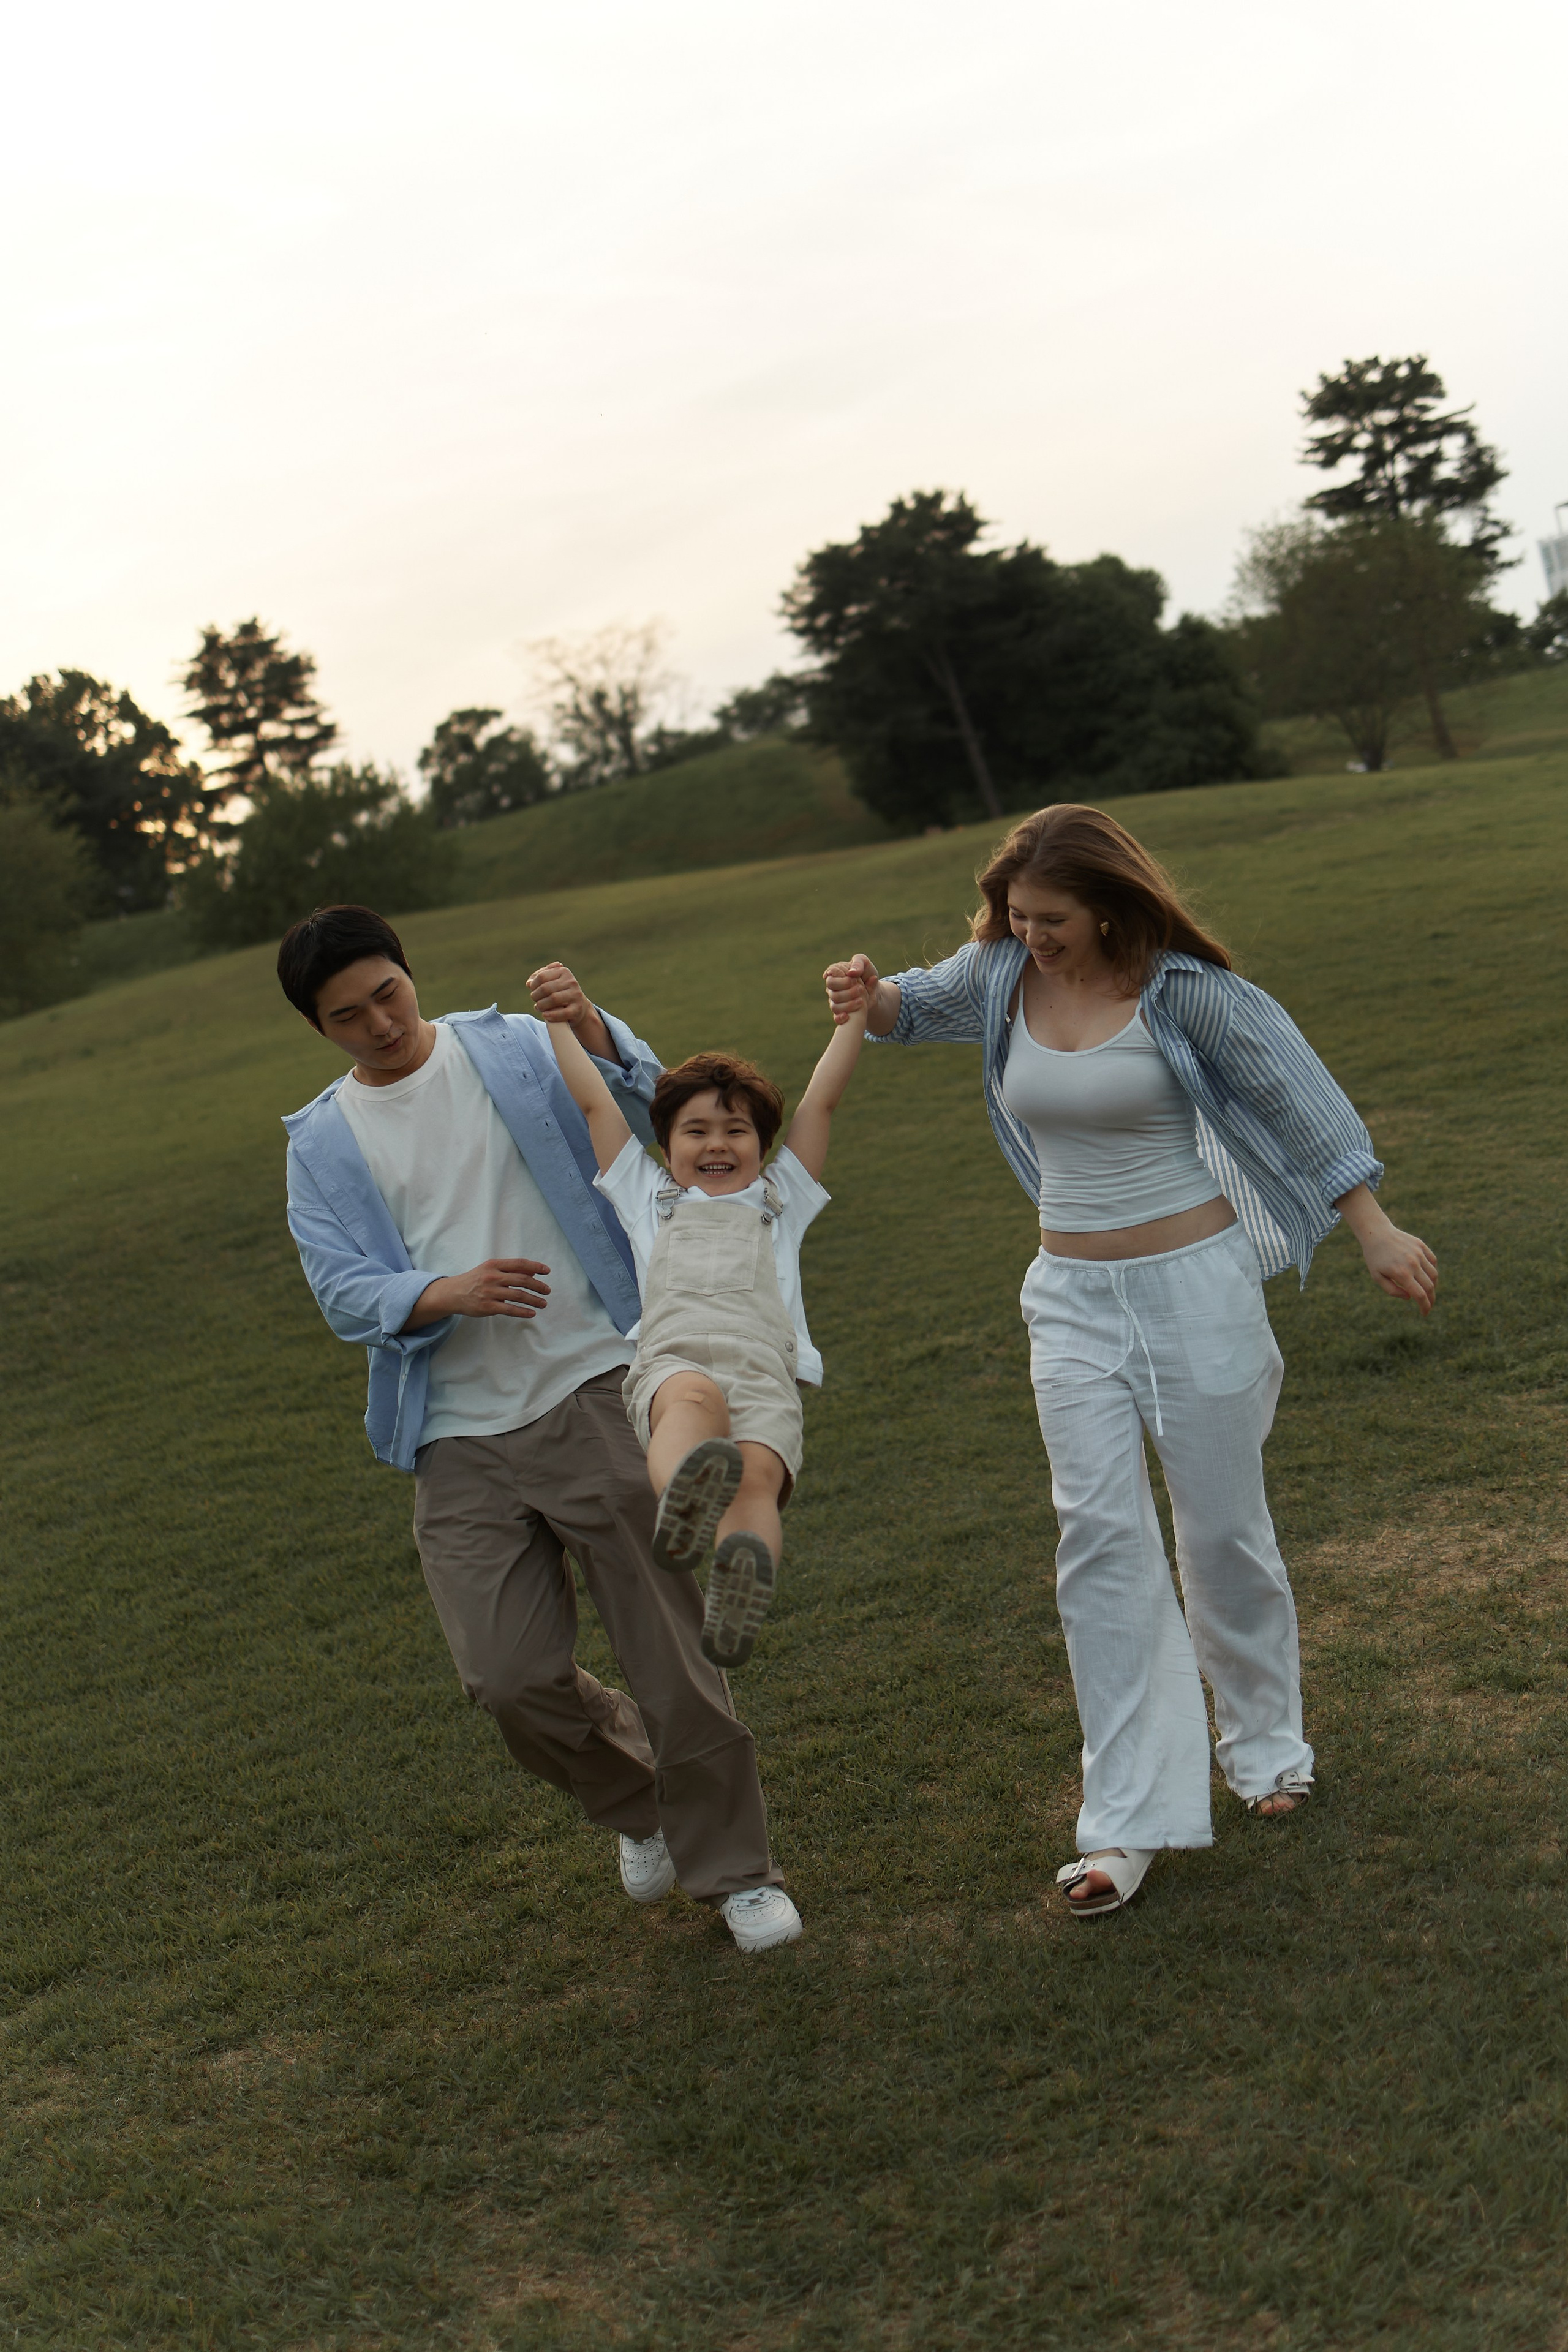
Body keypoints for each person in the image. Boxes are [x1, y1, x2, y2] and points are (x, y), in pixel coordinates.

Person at [824, 805, 1436, 1920]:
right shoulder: (1003, 973)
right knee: (1100, 1538)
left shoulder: (1185, 991)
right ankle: (1126, 1821)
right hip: (1067, 1298)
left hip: (1194, 1288)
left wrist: (1374, 1228)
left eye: (1050, 918)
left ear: (1106, 907)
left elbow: (1298, 1100)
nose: (1031, 936)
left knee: (1218, 1527)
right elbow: (914, 1008)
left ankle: (1266, 1748)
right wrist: (869, 993)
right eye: (1015, 917)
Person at [277, 903, 803, 1955]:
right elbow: (342, 1291)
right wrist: (444, 1291)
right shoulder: (323, 1140)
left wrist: (593, 1025)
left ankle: (739, 1872)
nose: (380, 1023)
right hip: (457, 1435)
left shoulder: (513, 1047)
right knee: (506, 1679)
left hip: (592, 1387)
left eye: (388, 993)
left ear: (409, 975)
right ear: (322, 1029)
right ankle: (641, 1802)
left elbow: (645, 1104)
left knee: (670, 1657)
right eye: (349, 1016)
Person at [537, 981, 868, 1672]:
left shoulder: (782, 1200)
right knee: (690, 1404)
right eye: (696, 1131)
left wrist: (854, 1018)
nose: (716, 1145)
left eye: (736, 1131)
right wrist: (560, 1023)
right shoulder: (647, 1198)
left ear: (761, 1145)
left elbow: (821, 1101)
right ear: (665, 1143)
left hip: (764, 1370)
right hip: (675, 1355)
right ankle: (684, 1496)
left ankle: (739, 1582)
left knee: (756, 1478)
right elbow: (596, 1100)